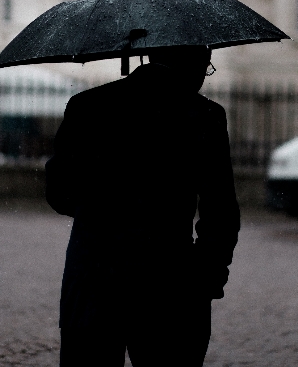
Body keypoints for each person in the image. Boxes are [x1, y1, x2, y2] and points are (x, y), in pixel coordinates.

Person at [45, 45, 240, 367]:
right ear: (195, 65)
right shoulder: (204, 115)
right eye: (207, 69)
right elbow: (220, 210)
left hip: (94, 275)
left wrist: (103, 208)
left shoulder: (87, 106)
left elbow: (59, 193)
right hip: (170, 280)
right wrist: (207, 278)